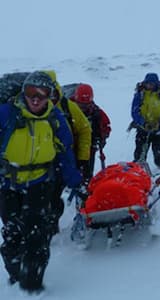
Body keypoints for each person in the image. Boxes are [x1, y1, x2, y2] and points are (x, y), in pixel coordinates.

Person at [0, 71, 82, 293]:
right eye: (30, 92)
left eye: (42, 93)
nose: (35, 98)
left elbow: (65, 152)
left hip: (39, 184)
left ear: (50, 95)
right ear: (23, 93)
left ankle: (32, 283)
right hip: (8, 184)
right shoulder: (6, 114)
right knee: (12, 232)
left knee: (37, 233)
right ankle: (16, 272)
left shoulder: (55, 119)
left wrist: (75, 181)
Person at [42, 71, 92, 233]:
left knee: (54, 195)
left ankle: (52, 223)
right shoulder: (31, 106)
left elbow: (85, 130)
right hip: (37, 163)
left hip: (64, 160)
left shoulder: (67, 106)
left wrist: (83, 157)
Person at [131, 73, 160, 168]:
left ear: (156, 84)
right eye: (148, 83)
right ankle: (137, 171)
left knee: (159, 157)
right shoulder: (139, 96)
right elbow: (134, 113)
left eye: (152, 83)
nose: (150, 85)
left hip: (159, 131)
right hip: (143, 130)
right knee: (139, 155)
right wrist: (143, 123)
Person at [72, 83, 111, 176]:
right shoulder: (67, 109)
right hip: (70, 148)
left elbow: (107, 125)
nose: (83, 108)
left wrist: (103, 137)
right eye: (80, 105)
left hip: (89, 148)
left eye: (86, 105)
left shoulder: (96, 112)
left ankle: (86, 185)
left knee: (87, 173)